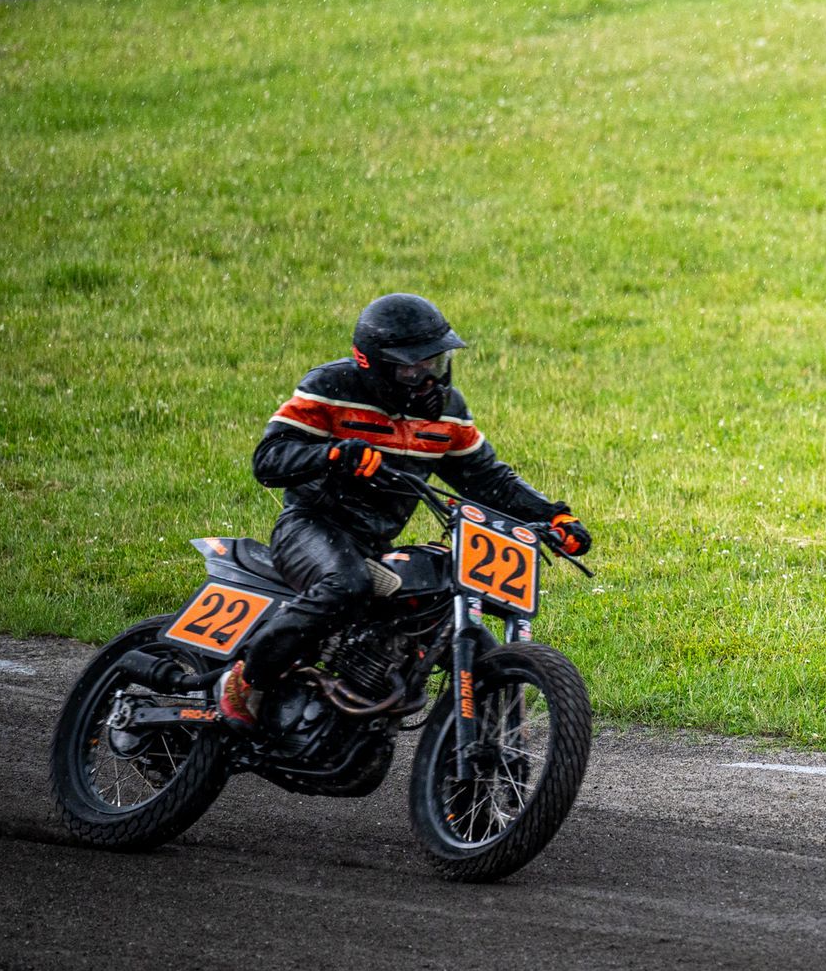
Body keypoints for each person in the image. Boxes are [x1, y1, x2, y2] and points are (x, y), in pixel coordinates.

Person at [216, 293, 592, 727]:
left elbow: (488, 479)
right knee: (346, 584)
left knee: (436, 602)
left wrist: (552, 515)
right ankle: (247, 681)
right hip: (310, 527)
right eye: (412, 368)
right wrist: (333, 457)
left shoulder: (449, 414)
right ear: (372, 365)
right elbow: (269, 459)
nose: (428, 379)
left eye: (434, 364)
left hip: (376, 544)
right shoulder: (329, 389)